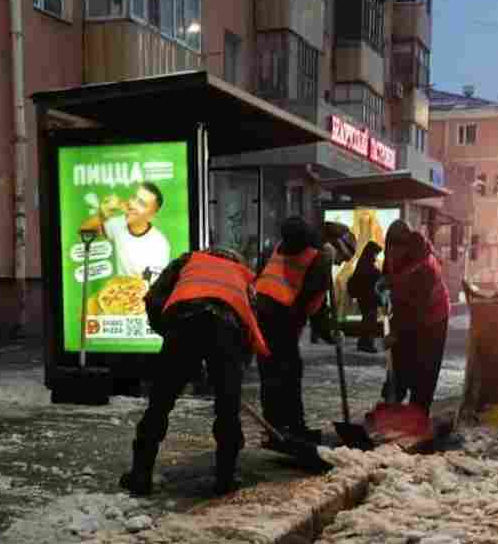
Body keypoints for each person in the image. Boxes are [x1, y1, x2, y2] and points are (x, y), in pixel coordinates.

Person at [121, 246, 270, 496]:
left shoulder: (187, 261)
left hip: (184, 323)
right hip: (227, 331)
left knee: (160, 402)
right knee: (227, 409)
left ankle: (140, 475)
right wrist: (232, 372)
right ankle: (225, 479)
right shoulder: (244, 275)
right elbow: (250, 322)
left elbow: (153, 299)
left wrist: (170, 335)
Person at [253, 216, 335, 444]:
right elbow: (315, 302)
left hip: (261, 315)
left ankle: (275, 427)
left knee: (270, 374)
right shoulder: (317, 258)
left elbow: (259, 277)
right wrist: (328, 333)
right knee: (289, 374)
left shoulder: (275, 249)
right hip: (282, 319)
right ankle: (294, 427)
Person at [380, 220, 451, 413]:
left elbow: (416, 311)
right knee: (397, 363)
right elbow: (389, 274)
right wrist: (384, 284)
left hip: (433, 319)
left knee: (424, 369)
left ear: (407, 245)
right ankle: (391, 403)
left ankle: (418, 413)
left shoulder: (424, 267)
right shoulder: (395, 254)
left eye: (396, 248)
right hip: (407, 312)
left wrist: (395, 333)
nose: (391, 253)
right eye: (389, 248)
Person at [104, 181, 172, 282]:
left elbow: (152, 288)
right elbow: (87, 231)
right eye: (133, 198)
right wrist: (103, 212)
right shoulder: (118, 223)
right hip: (117, 292)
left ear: (151, 216)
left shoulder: (160, 245)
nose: (132, 205)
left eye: (141, 203)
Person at [347, 240, 384, 353]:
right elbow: (369, 277)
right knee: (369, 320)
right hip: (367, 297)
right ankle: (366, 344)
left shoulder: (363, 262)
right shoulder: (366, 264)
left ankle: (364, 342)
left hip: (365, 297)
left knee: (368, 319)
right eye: (376, 253)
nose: (376, 256)